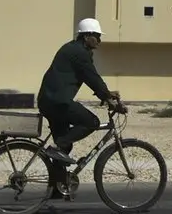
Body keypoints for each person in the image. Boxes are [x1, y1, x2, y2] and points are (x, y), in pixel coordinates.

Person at [37, 17, 120, 166]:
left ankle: (57, 187)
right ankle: (57, 146)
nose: (99, 41)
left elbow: (88, 77)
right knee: (92, 122)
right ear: (86, 36)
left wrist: (106, 95)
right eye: (97, 36)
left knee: (63, 150)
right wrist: (107, 95)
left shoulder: (73, 48)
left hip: (49, 101)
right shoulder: (79, 53)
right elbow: (91, 76)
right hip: (57, 102)